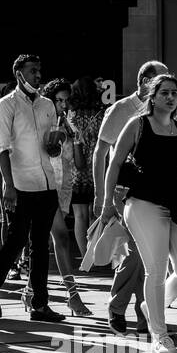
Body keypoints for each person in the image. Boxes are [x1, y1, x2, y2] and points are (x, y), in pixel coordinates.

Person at [99, 73, 177, 353]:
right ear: (153, 96)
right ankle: (160, 335)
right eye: (164, 93)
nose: (170, 97)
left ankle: (152, 306)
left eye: (174, 93)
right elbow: (114, 165)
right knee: (156, 270)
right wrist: (106, 203)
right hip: (143, 202)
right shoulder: (137, 125)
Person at [0, 54, 67, 322]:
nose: (37, 75)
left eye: (39, 70)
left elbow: (51, 143)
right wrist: (7, 184)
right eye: (32, 71)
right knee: (16, 241)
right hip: (20, 183)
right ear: (19, 73)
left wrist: (57, 143)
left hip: (46, 182)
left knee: (40, 245)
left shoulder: (47, 105)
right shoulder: (6, 106)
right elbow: (1, 148)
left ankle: (39, 304)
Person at [92, 59, 169, 335]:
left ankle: (142, 315)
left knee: (152, 255)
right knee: (137, 254)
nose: (168, 89)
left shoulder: (167, 112)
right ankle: (119, 306)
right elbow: (101, 153)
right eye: (161, 81)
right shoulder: (121, 109)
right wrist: (102, 195)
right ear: (144, 82)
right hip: (125, 192)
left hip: (157, 191)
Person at [41, 78, 91, 316]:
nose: (62, 105)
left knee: (44, 242)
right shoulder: (43, 124)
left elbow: (81, 165)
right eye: (58, 100)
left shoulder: (72, 126)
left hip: (64, 191)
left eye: (65, 100)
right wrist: (57, 134)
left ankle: (31, 292)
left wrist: (77, 138)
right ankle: (73, 295)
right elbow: (49, 152)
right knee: (61, 238)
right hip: (43, 187)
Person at [66, 75, 105, 257]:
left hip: (76, 171)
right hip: (98, 170)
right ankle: (95, 252)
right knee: (95, 213)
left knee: (79, 216)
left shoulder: (71, 115)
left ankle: (84, 255)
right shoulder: (101, 114)